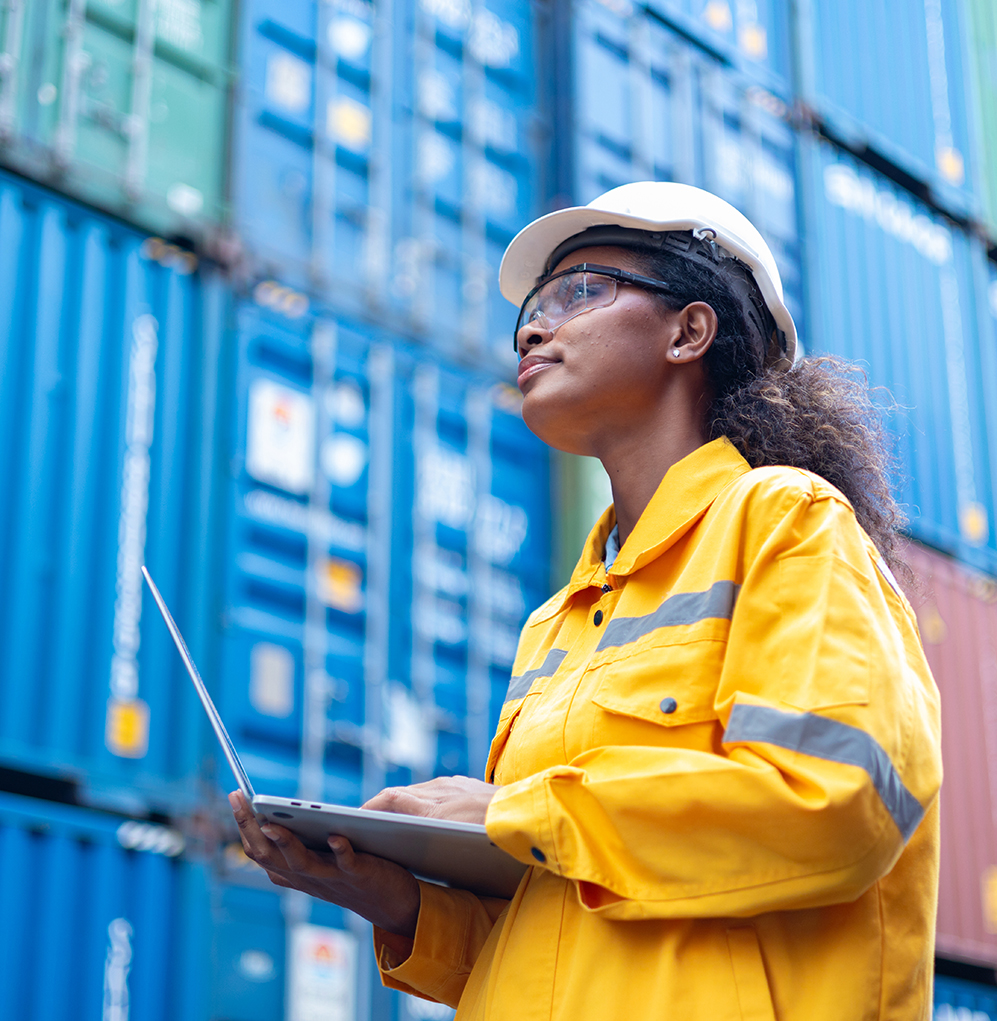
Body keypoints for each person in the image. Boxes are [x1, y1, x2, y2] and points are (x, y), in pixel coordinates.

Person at [230, 182, 942, 1020]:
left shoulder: (787, 522)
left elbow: (841, 802)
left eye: (582, 290)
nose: (534, 325)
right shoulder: (559, 618)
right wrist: (396, 900)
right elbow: (562, 926)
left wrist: (518, 809)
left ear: (689, 330)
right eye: (533, 306)